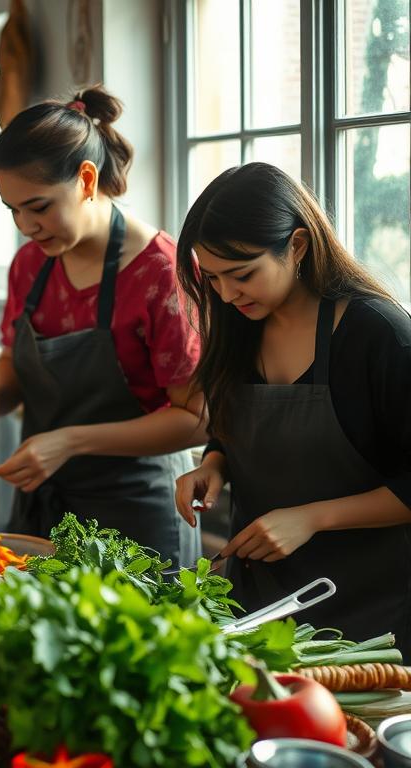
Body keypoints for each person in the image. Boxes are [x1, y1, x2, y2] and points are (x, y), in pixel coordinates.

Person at [0, 86, 205, 566]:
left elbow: (195, 419)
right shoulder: (30, 265)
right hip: (45, 506)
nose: (25, 224)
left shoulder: (160, 272)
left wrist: (71, 441)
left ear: (86, 179)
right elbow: (12, 357)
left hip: (135, 515)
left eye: (38, 206)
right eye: (13, 209)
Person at [173, 162, 411, 647]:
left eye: (241, 274)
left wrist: (313, 517)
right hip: (257, 601)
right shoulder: (239, 321)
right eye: (213, 278)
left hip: (369, 615)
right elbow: (230, 426)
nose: (225, 293)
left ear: (297, 245)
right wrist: (215, 462)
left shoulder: (378, 334)